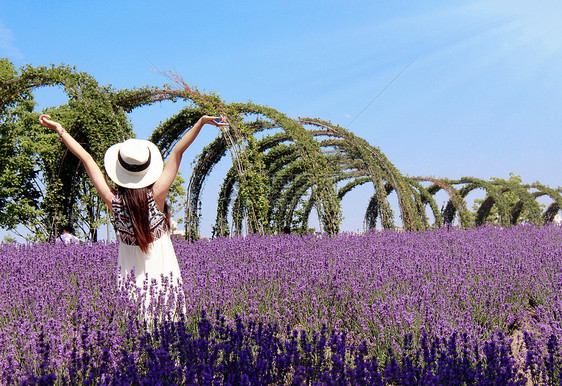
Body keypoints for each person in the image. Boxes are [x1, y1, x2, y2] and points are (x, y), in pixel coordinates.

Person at [38, 114, 227, 294]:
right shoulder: (157, 196)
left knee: (133, 325)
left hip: (130, 278)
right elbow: (178, 152)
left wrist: (59, 129)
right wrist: (201, 123)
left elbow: (86, 158)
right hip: (163, 275)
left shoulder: (114, 202)